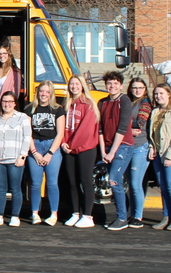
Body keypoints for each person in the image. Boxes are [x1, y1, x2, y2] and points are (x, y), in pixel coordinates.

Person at [61, 75, 100, 228]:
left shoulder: (88, 104)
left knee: (85, 181)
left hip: (85, 148)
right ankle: (75, 213)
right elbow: (63, 126)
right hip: (69, 148)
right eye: (72, 84)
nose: (74, 87)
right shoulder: (68, 104)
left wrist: (72, 144)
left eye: (77, 84)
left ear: (82, 86)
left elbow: (86, 129)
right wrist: (64, 142)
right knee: (71, 181)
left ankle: (88, 215)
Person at [25, 80, 64, 225]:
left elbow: (60, 133)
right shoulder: (30, 109)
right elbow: (27, 132)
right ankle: (35, 213)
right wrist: (34, 152)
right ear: (37, 92)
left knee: (52, 183)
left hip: (51, 147)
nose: (44, 94)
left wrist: (50, 153)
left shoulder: (57, 109)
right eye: (42, 91)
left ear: (51, 93)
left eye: (47, 92)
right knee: (35, 183)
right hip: (35, 146)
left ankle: (53, 214)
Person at [98, 70, 133, 231]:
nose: (112, 86)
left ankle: (122, 218)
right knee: (113, 181)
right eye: (109, 83)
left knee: (114, 180)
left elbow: (123, 126)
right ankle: (122, 214)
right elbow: (100, 128)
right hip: (107, 146)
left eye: (115, 84)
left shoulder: (124, 101)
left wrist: (112, 151)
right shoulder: (103, 102)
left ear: (121, 85)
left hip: (122, 146)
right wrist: (104, 151)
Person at [148, 84, 171, 232]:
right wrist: (152, 147)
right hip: (158, 155)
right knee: (162, 187)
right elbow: (153, 133)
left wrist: (169, 155)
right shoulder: (155, 111)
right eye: (156, 94)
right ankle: (165, 217)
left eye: (162, 93)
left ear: (169, 94)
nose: (159, 96)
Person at [0, 91, 32, 227]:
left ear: (15, 103)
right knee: (0, 188)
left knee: (15, 188)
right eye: (4, 101)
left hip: (15, 159)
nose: (7, 104)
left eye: (10, 101)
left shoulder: (22, 117)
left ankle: (15, 216)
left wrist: (22, 156)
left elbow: (27, 137)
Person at [124, 77, 153, 228]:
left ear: (145, 89)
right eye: (134, 87)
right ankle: (131, 213)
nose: (137, 90)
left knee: (136, 183)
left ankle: (138, 216)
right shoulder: (129, 102)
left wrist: (125, 128)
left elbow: (139, 126)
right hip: (127, 147)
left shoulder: (145, 103)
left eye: (140, 88)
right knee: (130, 183)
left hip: (140, 147)